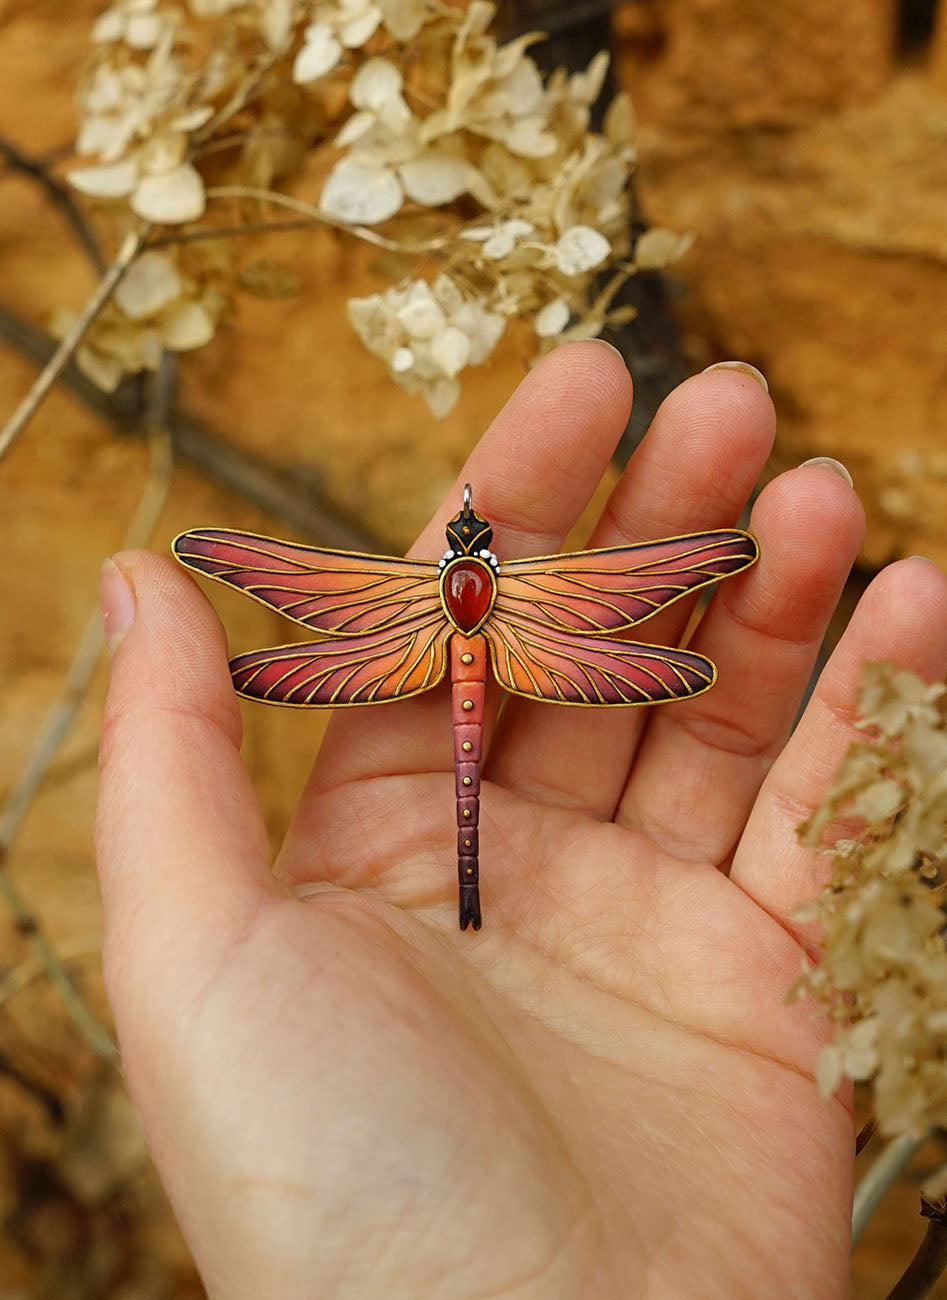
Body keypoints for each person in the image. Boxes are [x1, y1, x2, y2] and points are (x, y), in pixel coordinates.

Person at [94, 342, 947, 1298]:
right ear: (484, 567)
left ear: (463, 563)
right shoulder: (521, 595)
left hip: (426, 664)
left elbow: (266, 579)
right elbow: (684, 585)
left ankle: (468, 885)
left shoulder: (423, 596)